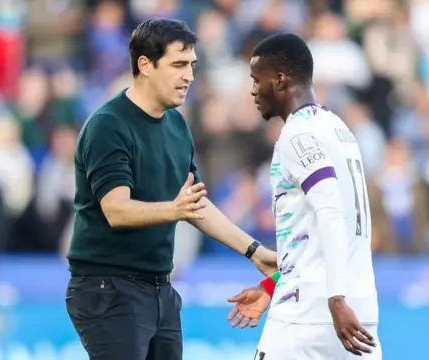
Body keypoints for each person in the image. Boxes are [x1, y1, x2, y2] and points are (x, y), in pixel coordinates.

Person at [65, 19, 277, 360]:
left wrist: (254, 251)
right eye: (178, 65)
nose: (189, 76)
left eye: (192, 66)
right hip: (108, 287)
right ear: (145, 65)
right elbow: (116, 209)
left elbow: (193, 204)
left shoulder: (177, 124)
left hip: (160, 287)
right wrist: (173, 210)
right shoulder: (109, 125)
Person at [226, 33, 381, 359]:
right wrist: (273, 284)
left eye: (257, 80)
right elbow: (320, 236)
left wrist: (335, 298)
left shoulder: (298, 134)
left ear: (280, 80)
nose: (253, 91)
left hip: (310, 315)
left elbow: (329, 212)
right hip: (361, 311)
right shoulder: (339, 129)